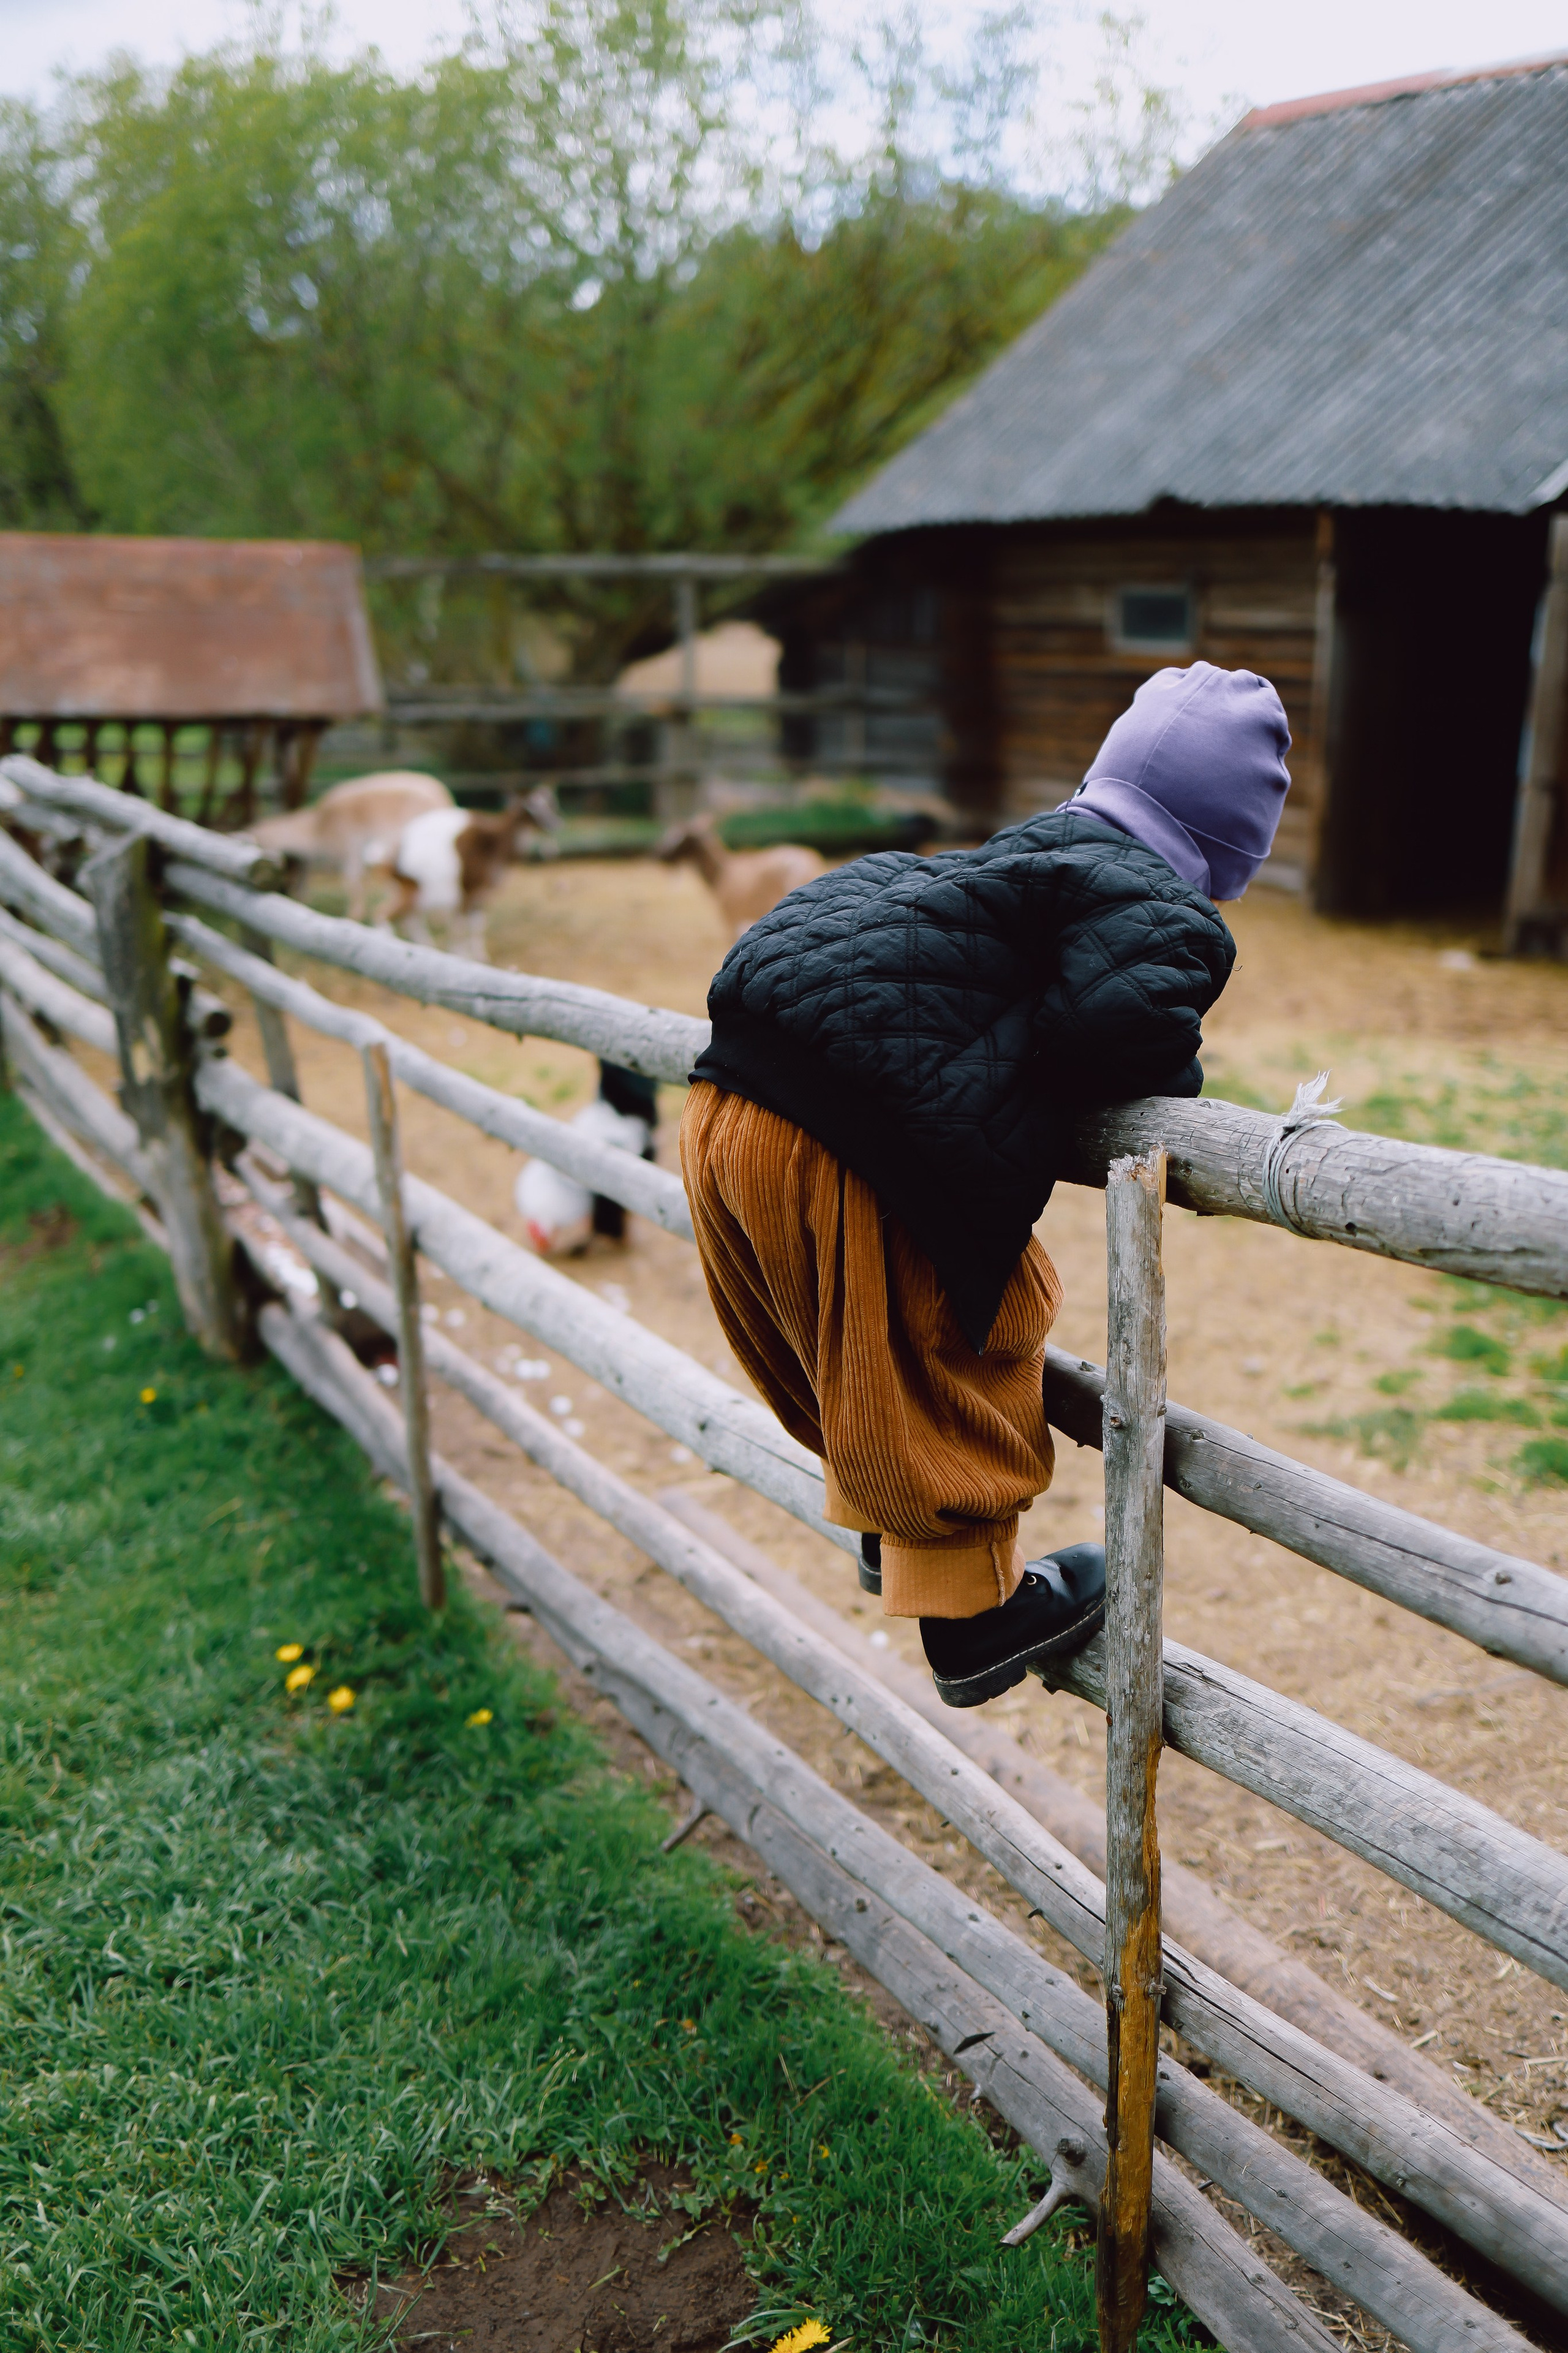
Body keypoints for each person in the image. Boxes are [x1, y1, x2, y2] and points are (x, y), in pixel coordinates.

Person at [679, 662, 1291, 1706]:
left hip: (726, 1099)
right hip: (841, 1136)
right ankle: (973, 1619)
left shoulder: (1019, 859)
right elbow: (1117, 1029)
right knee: (958, 1331)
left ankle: (893, 1537)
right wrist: (1172, 1073)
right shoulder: (1160, 904)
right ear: (1223, 850)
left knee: (841, 1337)